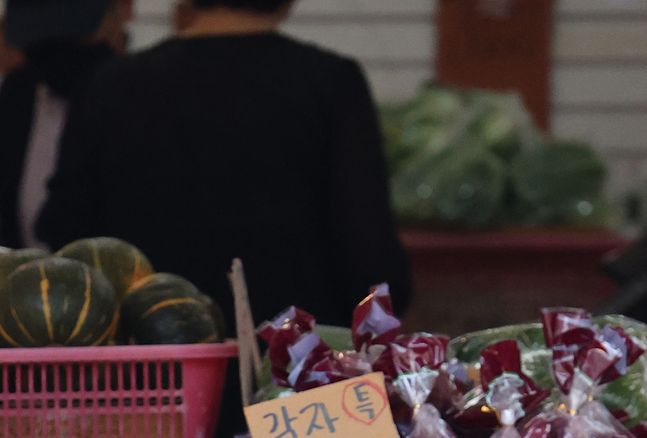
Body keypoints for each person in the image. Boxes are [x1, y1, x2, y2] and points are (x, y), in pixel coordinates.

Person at [33, 0, 412, 328]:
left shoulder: (108, 85)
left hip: (149, 369)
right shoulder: (332, 84)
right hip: (297, 379)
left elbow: (67, 235)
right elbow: (370, 257)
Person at [0, 0, 134, 249]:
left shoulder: (151, 101)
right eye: (42, 38)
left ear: (124, 8)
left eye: (73, 34)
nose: (58, 48)